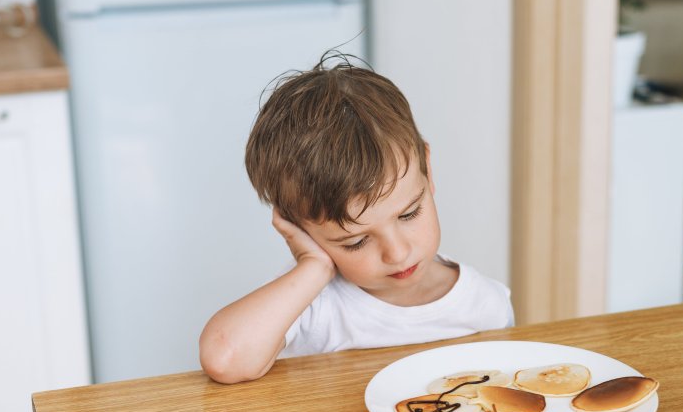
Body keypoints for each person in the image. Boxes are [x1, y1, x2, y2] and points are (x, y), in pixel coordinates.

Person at [199, 55, 514, 383]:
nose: (397, 252)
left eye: (409, 213)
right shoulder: (311, 305)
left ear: (427, 169)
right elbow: (224, 358)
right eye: (356, 241)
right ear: (298, 230)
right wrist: (313, 268)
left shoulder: (484, 305)